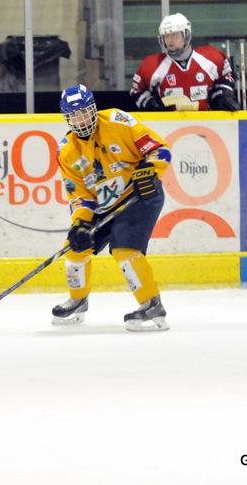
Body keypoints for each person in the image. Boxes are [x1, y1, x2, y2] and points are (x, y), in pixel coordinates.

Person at [54, 84, 171, 331]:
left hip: (139, 196)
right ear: (67, 118)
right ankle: (78, 300)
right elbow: (79, 195)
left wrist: (151, 170)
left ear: (93, 109)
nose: (81, 119)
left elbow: (160, 149)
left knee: (124, 250)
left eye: (84, 112)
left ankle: (151, 304)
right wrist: (81, 223)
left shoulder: (119, 121)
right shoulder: (66, 151)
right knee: (74, 249)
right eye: (74, 116)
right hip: (103, 206)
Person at [129, 12, 240, 112]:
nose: (170, 40)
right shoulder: (152, 65)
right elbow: (137, 91)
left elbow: (226, 78)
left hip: (207, 124)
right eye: (166, 36)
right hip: (168, 127)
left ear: (186, 35)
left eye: (175, 35)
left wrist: (222, 96)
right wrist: (151, 104)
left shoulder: (211, 58)